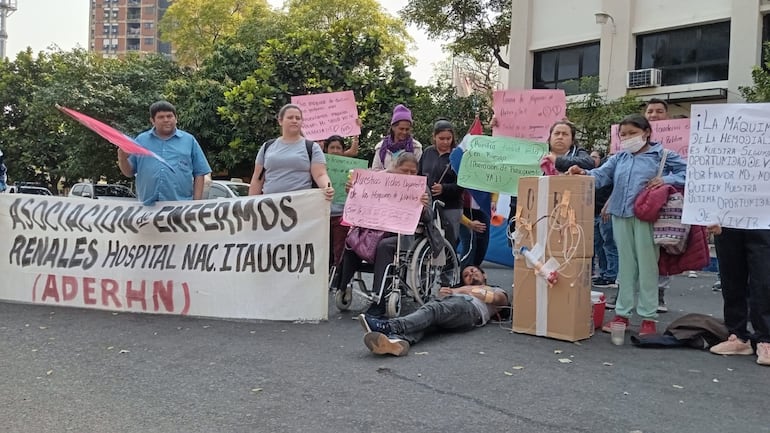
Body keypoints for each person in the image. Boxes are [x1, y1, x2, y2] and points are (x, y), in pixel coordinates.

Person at [567, 114, 686, 336]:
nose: (628, 138)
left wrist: (666, 180)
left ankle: (648, 318)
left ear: (647, 132)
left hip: (647, 217)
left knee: (648, 267)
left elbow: (689, 172)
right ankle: (622, 314)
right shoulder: (619, 158)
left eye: (632, 133)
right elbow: (599, 176)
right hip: (619, 216)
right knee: (626, 268)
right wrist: (582, 172)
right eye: (623, 135)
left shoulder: (661, 155)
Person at [334, 153, 441, 317]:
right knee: (352, 241)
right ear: (395, 169)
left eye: (413, 172)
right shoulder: (381, 182)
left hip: (406, 234)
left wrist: (424, 207)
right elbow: (362, 200)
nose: (409, 175)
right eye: (405, 171)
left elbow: (428, 219)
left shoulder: (421, 188)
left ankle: (379, 299)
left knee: (384, 246)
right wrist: (353, 190)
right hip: (377, 229)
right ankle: (343, 285)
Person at [357, 265, 509, 356]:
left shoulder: (493, 289)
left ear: (484, 274)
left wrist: (460, 291)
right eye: (466, 275)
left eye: (474, 271)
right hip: (457, 308)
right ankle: (396, 341)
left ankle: (391, 326)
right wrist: (445, 293)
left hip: (470, 309)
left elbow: (500, 300)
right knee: (428, 322)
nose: (470, 275)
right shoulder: (458, 290)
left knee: (434, 309)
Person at [117, 101, 211, 206]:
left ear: (176, 118)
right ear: (152, 120)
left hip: (180, 209)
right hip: (147, 209)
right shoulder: (141, 140)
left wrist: (195, 205)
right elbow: (129, 172)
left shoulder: (189, 141)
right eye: (161, 117)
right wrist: (122, 158)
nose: (166, 120)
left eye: (169, 116)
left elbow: (200, 173)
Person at [707, 224, 770, 366]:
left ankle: (766, 339)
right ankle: (737, 334)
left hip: (764, 219)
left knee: (764, 278)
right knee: (730, 276)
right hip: (729, 219)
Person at [248, 103, 334, 200]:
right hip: (270, 205)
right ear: (280, 121)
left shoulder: (312, 147)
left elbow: (320, 174)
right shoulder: (267, 147)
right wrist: (250, 204)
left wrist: (327, 187)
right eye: (290, 117)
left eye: (298, 118)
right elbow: (257, 179)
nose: (294, 121)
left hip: (301, 204)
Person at [418, 119, 463, 247]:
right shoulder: (427, 152)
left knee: (449, 240)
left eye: (448, 138)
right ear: (434, 137)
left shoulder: (457, 156)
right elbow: (419, 175)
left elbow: (463, 184)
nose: (445, 142)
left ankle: (450, 266)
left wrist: (444, 188)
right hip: (429, 205)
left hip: (451, 207)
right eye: (441, 138)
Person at [591, 150, 618, 289]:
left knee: (609, 244)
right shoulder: (596, 172)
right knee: (599, 245)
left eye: (595, 157)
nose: (592, 159)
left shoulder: (613, 170)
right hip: (595, 212)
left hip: (606, 212)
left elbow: (616, 189)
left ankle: (611, 275)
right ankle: (603, 273)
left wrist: (608, 206)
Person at [371, 104, 422, 171]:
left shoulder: (416, 147)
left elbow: (416, 171)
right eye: (401, 129)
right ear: (393, 127)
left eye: (407, 129)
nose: (404, 132)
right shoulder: (380, 147)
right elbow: (375, 171)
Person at [325, 138, 348, 271]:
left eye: (338, 148)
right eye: (332, 148)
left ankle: (337, 277)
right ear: (326, 150)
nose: (335, 151)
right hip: (323, 214)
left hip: (341, 215)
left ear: (343, 150)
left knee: (339, 249)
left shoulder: (349, 170)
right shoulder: (318, 168)